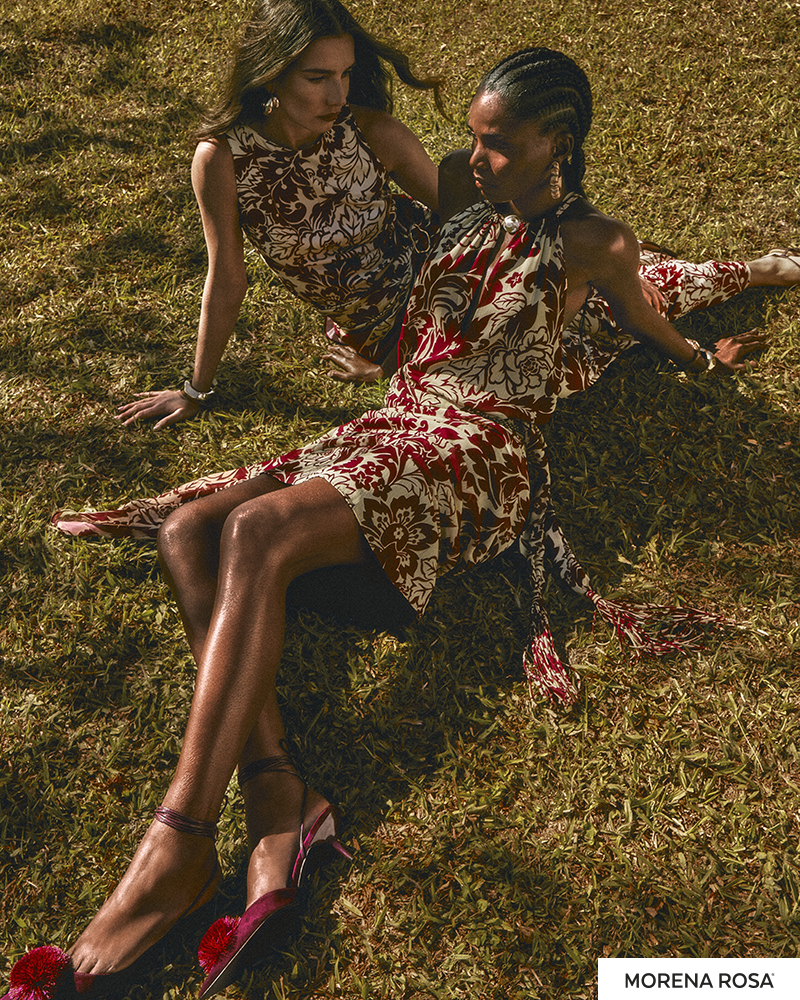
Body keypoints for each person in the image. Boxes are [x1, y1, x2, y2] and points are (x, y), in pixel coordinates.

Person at [3, 46, 789, 1000]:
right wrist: (384, 360)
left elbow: (646, 318)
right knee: (186, 533)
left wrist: (703, 362)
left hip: (481, 453)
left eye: (499, 144)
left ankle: (178, 846)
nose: (476, 158)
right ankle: (281, 796)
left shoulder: (597, 242)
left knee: (252, 533)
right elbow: (432, 310)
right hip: (401, 420)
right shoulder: (462, 191)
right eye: (474, 138)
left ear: (559, 141)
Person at [115, 0, 442, 431]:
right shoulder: (223, 158)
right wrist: (195, 392)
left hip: (441, 291)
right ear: (271, 74)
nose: (338, 96)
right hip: (367, 325)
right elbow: (227, 277)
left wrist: (393, 365)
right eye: (317, 78)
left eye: (345, 74)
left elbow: (477, 229)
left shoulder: (375, 133)